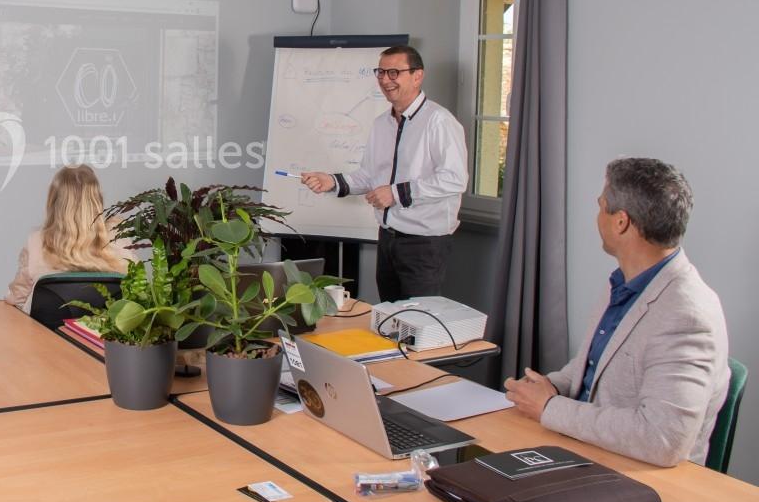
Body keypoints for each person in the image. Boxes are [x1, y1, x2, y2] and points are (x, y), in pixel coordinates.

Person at [505, 157, 729, 467]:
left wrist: (551, 407)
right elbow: (593, 366)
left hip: (632, 477)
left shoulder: (685, 314)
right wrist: (549, 387)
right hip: (584, 452)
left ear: (620, 221)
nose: (597, 216)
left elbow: (662, 440)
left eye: (601, 206)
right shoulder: (626, 282)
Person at [301, 46, 467, 301]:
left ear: (417, 75)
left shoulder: (439, 122)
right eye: (380, 72)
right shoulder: (382, 124)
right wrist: (331, 182)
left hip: (424, 244)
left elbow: (454, 179)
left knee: (418, 322)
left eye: (393, 72)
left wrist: (396, 194)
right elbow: (369, 176)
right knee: (389, 319)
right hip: (388, 239)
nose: (385, 80)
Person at [4, 164, 135, 312]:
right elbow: (135, 295)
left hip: (43, 334)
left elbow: (16, 299)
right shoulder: (118, 237)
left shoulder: (37, 242)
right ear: (97, 200)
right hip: (102, 333)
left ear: (53, 201)